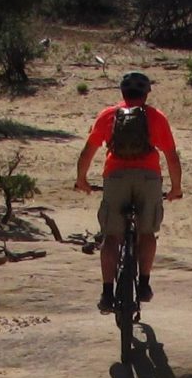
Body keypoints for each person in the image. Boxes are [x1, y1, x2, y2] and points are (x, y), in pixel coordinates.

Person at [74, 70, 183, 313]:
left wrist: (82, 179)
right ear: (146, 94)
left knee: (111, 237)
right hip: (148, 178)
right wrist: (175, 188)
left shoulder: (108, 115)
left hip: (116, 177)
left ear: (122, 93)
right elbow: (172, 158)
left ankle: (107, 292)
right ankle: (143, 284)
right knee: (147, 233)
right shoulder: (156, 117)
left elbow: (87, 152)